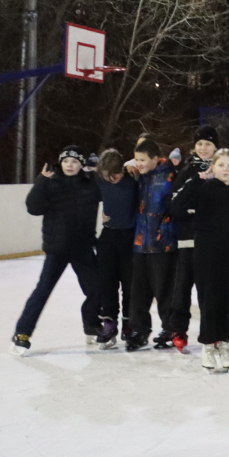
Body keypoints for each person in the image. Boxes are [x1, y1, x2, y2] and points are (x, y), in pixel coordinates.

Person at [11, 145, 101, 354]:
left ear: (81, 164)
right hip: (57, 249)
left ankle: (91, 326)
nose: (70, 165)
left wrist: (102, 173)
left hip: (83, 247)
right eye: (66, 161)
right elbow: (33, 208)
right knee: (42, 290)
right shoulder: (51, 183)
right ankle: (22, 333)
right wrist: (41, 181)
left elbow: (112, 192)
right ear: (60, 163)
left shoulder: (90, 185)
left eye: (75, 161)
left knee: (97, 290)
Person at [169, 149, 229, 372]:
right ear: (213, 166)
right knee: (209, 301)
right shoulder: (202, 190)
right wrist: (196, 180)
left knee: (226, 302)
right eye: (221, 165)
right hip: (206, 255)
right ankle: (207, 346)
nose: (226, 169)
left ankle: (223, 343)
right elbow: (176, 207)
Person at [165, 125, 220, 353]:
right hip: (187, 241)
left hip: (212, 242)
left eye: (208, 144)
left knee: (209, 291)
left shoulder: (223, 168)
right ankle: (178, 329)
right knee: (181, 290)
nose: (203, 148)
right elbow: (175, 206)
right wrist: (196, 183)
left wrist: (196, 210)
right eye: (199, 144)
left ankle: (213, 330)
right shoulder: (187, 171)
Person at [124, 138, 180, 352]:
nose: (140, 163)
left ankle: (170, 328)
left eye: (144, 160)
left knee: (163, 290)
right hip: (140, 244)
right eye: (137, 159)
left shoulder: (170, 176)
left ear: (156, 159)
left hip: (162, 244)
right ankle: (139, 330)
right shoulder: (139, 177)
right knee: (138, 291)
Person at [92, 148, 138, 349]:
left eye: (116, 174)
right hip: (108, 236)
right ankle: (109, 323)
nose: (112, 179)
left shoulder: (132, 178)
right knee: (107, 283)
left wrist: (132, 166)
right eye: (107, 176)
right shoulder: (98, 180)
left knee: (130, 284)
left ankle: (129, 323)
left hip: (131, 237)